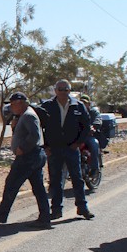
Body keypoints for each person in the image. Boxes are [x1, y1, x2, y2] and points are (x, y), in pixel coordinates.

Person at [0, 93, 51, 229]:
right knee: (38, 188)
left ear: (21, 103)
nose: (11, 107)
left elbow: (34, 135)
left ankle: (2, 214)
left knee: (11, 183)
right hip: (34, 156)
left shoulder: (28, 116)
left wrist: (22, 148)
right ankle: (44, 218)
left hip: (28, 157)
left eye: (13, 104)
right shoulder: (24, 115)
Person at [40, 79, 95, 220]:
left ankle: (82, 208)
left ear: (69, 91)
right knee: (56, 180)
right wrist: (45, 146)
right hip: (54, 149)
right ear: (55, 90)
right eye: (60, 89)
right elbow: (39, 127)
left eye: (66, 89)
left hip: (72, 148)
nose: (63, 92)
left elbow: (86, 126)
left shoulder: (78, 106)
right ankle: (56, 210)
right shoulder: (47, 106)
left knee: (77, 179)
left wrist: (78, 143)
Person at [81, 94, 102, 176]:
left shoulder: (93, 112)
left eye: (84, 103)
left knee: (94, 144)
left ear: (88, 104)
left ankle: (94, 168)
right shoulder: (76, 111)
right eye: (81, 102)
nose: (83, 104)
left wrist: (94, 127)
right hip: (78, 137)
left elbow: (98, 119)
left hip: (89, 136)